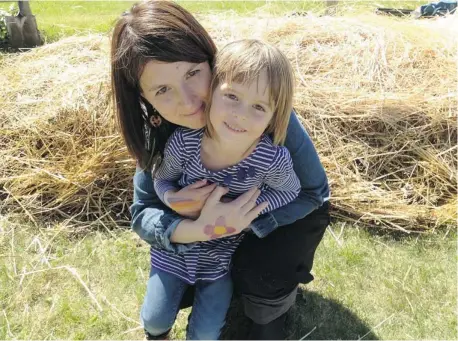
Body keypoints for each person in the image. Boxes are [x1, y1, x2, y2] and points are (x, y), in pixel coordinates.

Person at [111, 1, 331, 339]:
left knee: (260, 273)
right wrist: (196, 225)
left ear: (210, 58)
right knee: (174, 289)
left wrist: (251, 220)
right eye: (162, 90)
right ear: (143, 98)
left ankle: (269, 309)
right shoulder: (162, 134)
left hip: (287, 209)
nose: (188, 101)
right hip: (205, 236)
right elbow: (143, 211)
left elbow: (313, 191)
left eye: (192, 73)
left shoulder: (259, 116)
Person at [144, 39, 301, 339]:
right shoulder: (185, 142)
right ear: (212, 92)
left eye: (258, 106)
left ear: (275, 114)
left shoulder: (271, 158)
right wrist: (171, 198)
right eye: (231, 96)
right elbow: (161, 178)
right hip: (175, 248)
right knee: (153, 320)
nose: (240, 114)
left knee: (204, 335)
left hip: (222, 257)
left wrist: (249, 211)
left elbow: (289, 191)